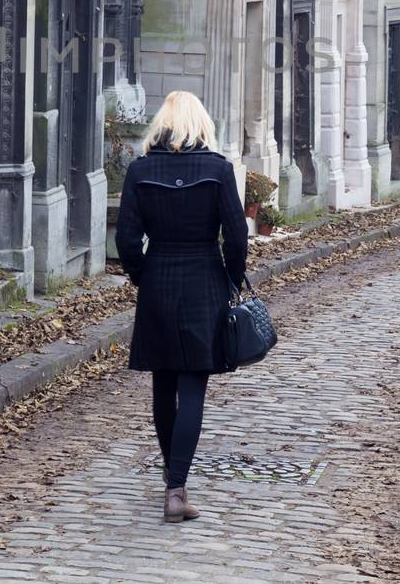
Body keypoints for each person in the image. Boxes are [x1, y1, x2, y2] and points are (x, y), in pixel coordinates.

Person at [114, 90, 250, 524]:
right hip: (203, 277)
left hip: (159, 279)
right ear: (201, 123)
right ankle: (176, 489)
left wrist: (140, 275)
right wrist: (230, 278)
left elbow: (126, 239)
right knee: (192, 385)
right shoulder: (217, 169)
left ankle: (173, 483)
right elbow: (237, 233)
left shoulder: (140, 170)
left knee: (162, 383)